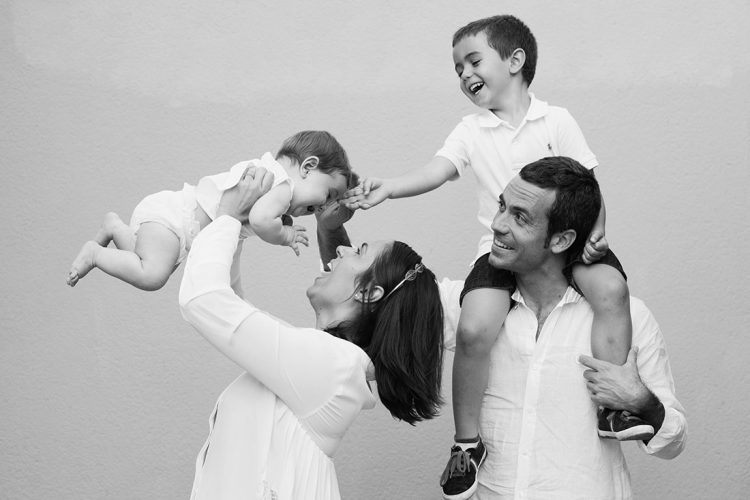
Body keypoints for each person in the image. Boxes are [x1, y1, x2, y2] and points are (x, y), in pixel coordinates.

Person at [342, 15, 645, 498]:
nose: (464, 74)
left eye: (473, 61)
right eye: (457, 68)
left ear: (515, 60)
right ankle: (467, 443)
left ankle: (613, 408)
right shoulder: (471, 130)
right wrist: (390, 188)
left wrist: (597, 231)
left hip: (570, 241)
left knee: (612, 291)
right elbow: (439, 170)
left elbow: (588, 182)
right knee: (474, 328)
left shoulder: (556, 120)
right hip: (499, 253)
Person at [327, 157, 687, 499]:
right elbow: (357, 295)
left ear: (561, 240)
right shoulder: (471, 307)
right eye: (502, 206)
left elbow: (673, 443)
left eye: (520, 217)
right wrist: (328, 226)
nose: (498, 224)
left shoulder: (630, 317)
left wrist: (642, 401)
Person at [178, 166, 445, 499]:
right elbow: (231, 307)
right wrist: (240, 226)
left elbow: (204, 300)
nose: (342, 251)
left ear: (370, 294)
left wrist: (229, 216)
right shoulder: (329, 366)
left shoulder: (330, 368)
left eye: (359, 251)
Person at [67, 130, 354, 291]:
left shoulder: (271, 185)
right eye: (329, 194)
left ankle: (115, 227)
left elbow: (232, 246)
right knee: (152, 276)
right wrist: (285, 236)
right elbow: (260, 220)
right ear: (308, 167)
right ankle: (95, 254)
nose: (322, 206)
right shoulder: (280, 185)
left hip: (175, 221)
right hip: (175, 220)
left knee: (146, 261)